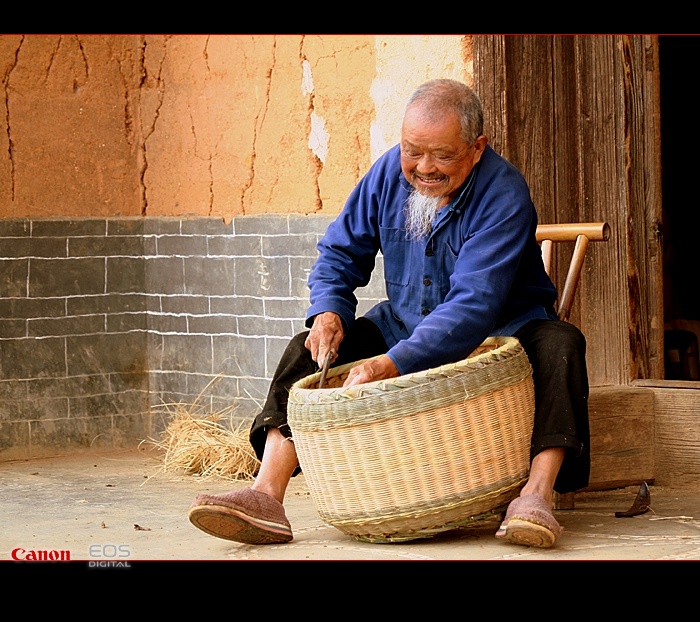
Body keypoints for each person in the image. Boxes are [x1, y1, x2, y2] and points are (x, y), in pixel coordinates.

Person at [188, 78, 590, 549]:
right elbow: (339, 253)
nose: (423, 168)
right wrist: (329, 311)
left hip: (503, 329)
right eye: (412, 150)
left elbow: (473, 305)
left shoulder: (503, 193)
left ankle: (536, 495)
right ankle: (267, 494)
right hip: (404, 324)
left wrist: (391, 364)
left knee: (562, 344)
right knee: (308, 350)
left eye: (441, 154)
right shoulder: (386, 177)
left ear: (477, 148)